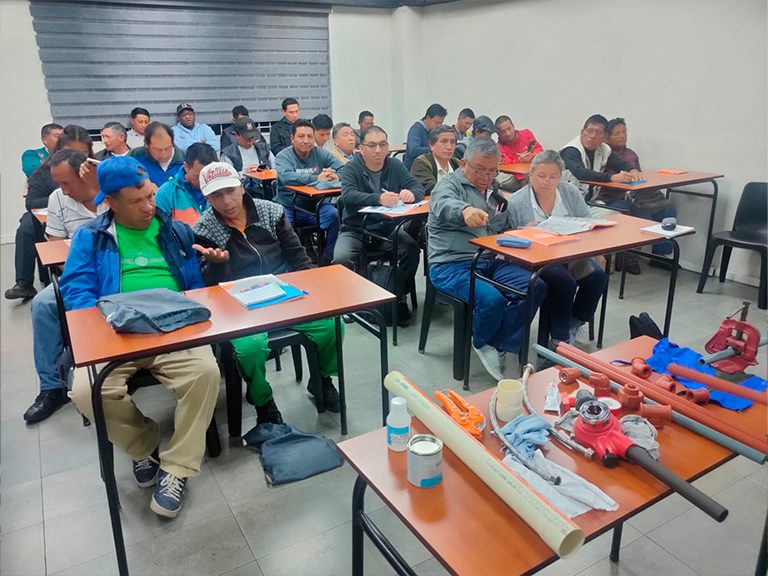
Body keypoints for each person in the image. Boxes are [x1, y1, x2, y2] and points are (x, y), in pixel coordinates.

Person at [64, 156, 220, 519]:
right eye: (137, 201)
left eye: (150, 196)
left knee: (205, 373)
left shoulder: (174, 230)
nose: (149, 206)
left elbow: (194, 285)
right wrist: (104, 325)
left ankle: (177, 467)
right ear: (111, 202)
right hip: (117, 329)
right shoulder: (91, 237)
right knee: (86, 390)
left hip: (173, 324)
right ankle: (142, 445)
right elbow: (77, 292)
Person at [192, 162, 344, 414]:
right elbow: (212, 289)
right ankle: (263, 401)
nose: (226, 201)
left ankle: (322, 380)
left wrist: (313, 293)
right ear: (207, 200)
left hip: (283, 293)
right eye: (217, 196)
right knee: (250, 347)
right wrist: (218, 264)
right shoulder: (203, 229)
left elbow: (297, 256)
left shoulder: (271, 211)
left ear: (242, 187)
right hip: (239, 306)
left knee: (331, 325)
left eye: (230, 190)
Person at [427, 137, 546, 380]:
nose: (486, 177)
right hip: (450, 265)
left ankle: (498, 343)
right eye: (480, 169)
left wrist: (522, 230)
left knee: (535, 285)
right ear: (463, 163)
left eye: (493, 171)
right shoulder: (448, 186)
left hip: (488, 259)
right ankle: (481, 341)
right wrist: (465, 210)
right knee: (492, 300)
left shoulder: (494, 191)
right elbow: (445, 204)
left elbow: (499, 228)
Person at [22, 149, 110, 423]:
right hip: (77, 273)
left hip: (119, 270)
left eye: (67, 182)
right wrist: (83, 274)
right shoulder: (58, 199)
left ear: (85, 174)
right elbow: (57, 251)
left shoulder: (113, 194)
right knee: (44, 303)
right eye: (59, 183)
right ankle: (52, 387)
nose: (64, 189)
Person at [505, 151, 608, 346]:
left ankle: (575, 322)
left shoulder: (570, 192)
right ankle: (559, 339)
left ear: (560, 177)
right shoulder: (517, 201)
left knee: (598, 276)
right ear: (531, 175)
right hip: (537, 258)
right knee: (564, 281)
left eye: (553, 177)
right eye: (541, 176)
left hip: (570, 253)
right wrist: (523, 231)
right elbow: (507, 236)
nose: (546, 182)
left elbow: (587, 222)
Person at [334, 126, 424, 324]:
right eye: (372, 145)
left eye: (383, 145)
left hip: (386, 228)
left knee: (411, 249)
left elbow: (417, 186)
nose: (378, 150)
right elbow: (347, 196)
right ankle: (347, 304)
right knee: (341, 257)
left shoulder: (394, 165)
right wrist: (378, 199)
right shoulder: (352, 168)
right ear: (361, 149)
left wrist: (411, 194)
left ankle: (397, 294)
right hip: (355, 229)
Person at [6, 125, 94, 301]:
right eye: (69, 153)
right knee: (26, 229)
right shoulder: (47, 174)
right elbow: (31, 202)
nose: (76, 160)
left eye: (82, 153)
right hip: (49, 212)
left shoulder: (100, 178)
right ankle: (24, 282)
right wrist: (63, 195)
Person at [274, 119, 343, 264]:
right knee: (280, 223)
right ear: (292, 138)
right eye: (301, 136)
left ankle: (328, 260)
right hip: (290, 206)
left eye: (310, 137)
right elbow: (287, 177)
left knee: (336, 217)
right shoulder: (283, 156)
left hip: (318, 205)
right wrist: (317, 178)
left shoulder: (321, 154)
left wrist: (337, 176)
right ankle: (291, 264)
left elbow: (345, 169)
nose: (306, 141)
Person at [559, 114, 642, 213]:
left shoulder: (604, 149)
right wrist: (612, 177)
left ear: (605, 137)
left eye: (598, 132)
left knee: (625, 213)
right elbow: (580, 173)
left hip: (588, 202)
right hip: (567, 205)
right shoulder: (571, 150)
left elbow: (619, 164)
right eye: (589, 131)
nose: (592, 136)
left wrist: (632, 170)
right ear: (582, 132)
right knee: (615, 215)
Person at [155, 142, 218, 226]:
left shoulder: (223, 189)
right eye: (199, 176)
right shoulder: (166, 193)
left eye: (209, 176)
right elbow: (162, 230)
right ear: (186, 167)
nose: (205, 181)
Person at [128, 122, 185, 186]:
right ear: (147, 145)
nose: (164, 155)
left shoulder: (187, 158)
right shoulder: (136, 156)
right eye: (158, 150)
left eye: (168, 149)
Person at [410, 125, 460, 194]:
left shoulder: (457, 163)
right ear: (431, 145)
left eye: (452, 142)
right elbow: (431, 188)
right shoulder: (421, 163)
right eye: (443, 142)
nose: (449, 147)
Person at [403, 103, 447, 170]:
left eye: (441, 123)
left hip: (429, 167)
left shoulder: (435, 131)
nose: (439, 126)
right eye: (436, 122)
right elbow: (413, 150)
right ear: (428, 117)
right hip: (414, 169)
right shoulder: (416, 129)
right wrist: (434, 149)